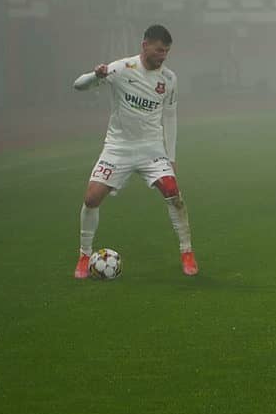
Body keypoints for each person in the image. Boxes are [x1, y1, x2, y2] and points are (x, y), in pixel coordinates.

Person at [71, 24, 198, 277]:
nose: (163, 56)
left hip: (151, 148)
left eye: (167, 52)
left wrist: (170, 158)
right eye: (159, 50)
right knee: (91, 199)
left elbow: (170, 117)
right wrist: (96, 76)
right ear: (145, 45)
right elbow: (78, 85)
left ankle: (187, 252)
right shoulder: (120, 69)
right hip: (118, 148)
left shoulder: (169, 79)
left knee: (173, 193)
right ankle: (84, 256)